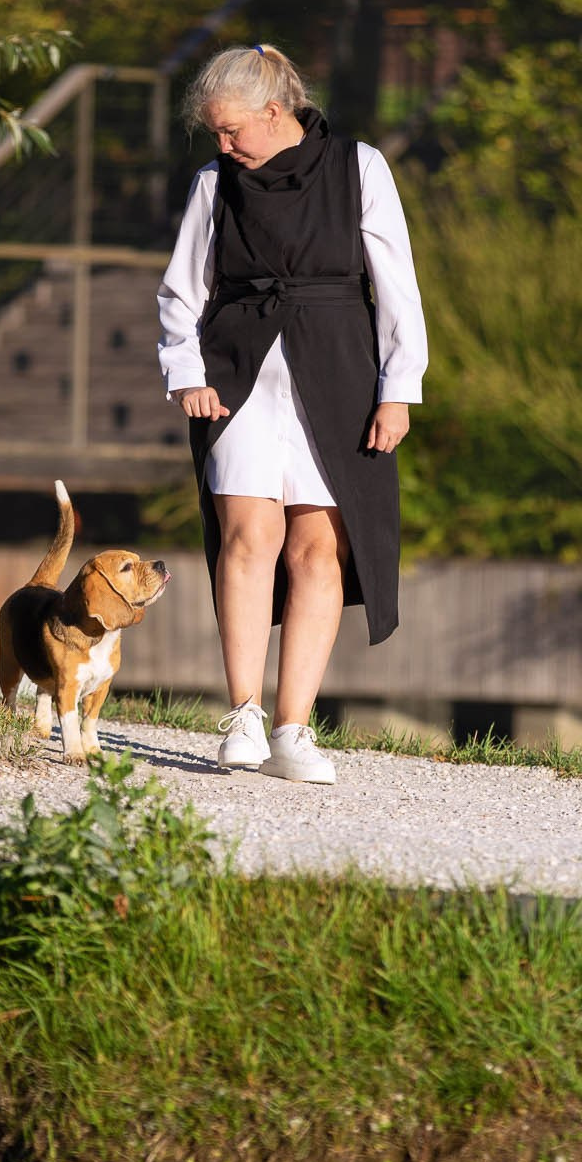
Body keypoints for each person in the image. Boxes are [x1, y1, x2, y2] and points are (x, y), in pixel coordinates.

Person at [156, 44, 428, 785]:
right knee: (248, 537)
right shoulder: (215, 183)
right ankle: (241, 713)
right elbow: (182, 291)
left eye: (231, 129)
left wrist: (398, 387)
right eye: (214, 132)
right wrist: (188, 373)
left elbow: (395, 282)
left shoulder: (358, 166)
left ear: (276, 113)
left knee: (318, 551)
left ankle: (293, 730)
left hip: (337, 370)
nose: (222, 143)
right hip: (240, 376)